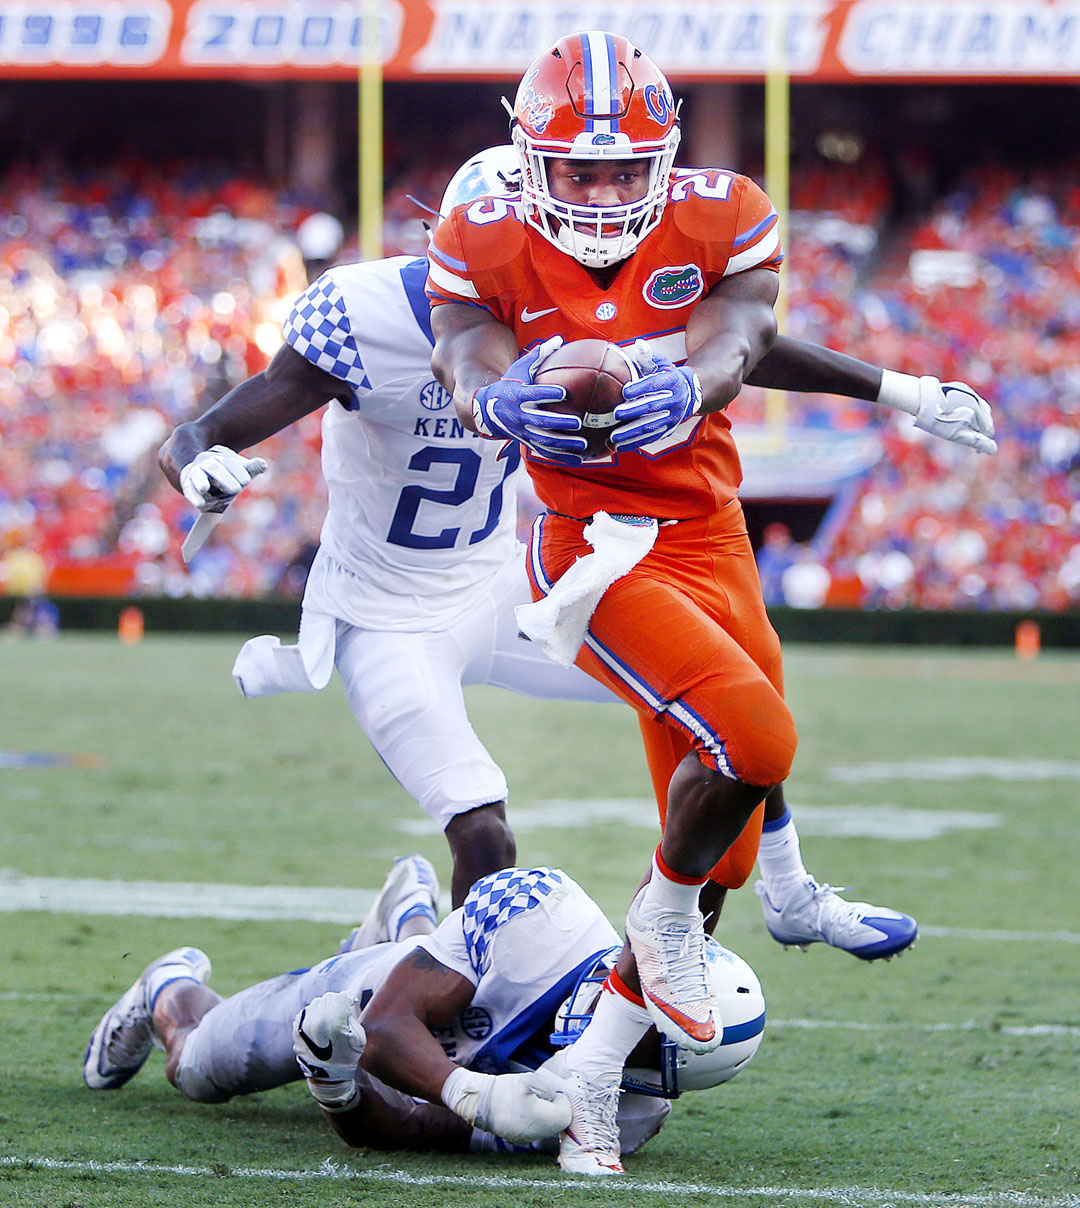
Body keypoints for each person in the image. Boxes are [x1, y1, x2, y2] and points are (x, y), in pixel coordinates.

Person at [160, 142, 982, 940]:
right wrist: (202, 468)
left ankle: (777, 889)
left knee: (727, 696)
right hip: (385, 613)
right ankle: (463, 1003)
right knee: (485, 832)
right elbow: (203, 429)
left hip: (497, 583)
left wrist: (900, 390)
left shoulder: (570, 302)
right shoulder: (366, 316)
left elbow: (739, 346)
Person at [427, 30, 997, 1170]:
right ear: (529, 157)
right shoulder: (481, 226)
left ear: (667, 156)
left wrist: (696, 380)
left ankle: (591, 1073)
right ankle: (670, 918)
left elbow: (746, 335)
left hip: (709, 527)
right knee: (755, 735)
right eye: (579, 169)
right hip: (590, 548)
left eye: (625, 167)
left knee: (722, 846)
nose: (602, 190)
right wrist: (496, 404)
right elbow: (462, 341)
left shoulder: (720, 212)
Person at [82, 858, 766, 1174]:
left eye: (644, 1062)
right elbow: (383, 1027)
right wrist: (477, 1094)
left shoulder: (625, 1119)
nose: (620, 1052)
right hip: (381, 994)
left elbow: (408, 1128)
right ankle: (166, 985)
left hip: (418, 1034)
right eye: (639, 1024)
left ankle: (409, 912)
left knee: (352, 1051)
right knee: (196, 1069)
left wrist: (335, 1088)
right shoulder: (543, 912)